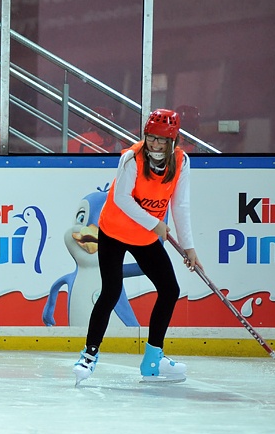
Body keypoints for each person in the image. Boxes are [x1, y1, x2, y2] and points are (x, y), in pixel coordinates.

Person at [73, 108, 202, 385]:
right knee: (111, 291)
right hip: (115, 231)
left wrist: (189, 247)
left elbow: (180, 204)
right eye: (151, 138)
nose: (155, 144)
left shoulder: (182, 161)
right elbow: (121, 199)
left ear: (173, 141)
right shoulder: (131, 158)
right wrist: (154, 223)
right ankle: (89, 354)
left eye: (162, 140)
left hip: (144, 237)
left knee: (169, 289)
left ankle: (153, 359)